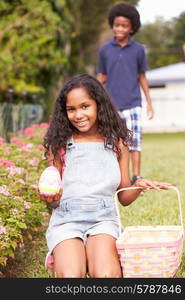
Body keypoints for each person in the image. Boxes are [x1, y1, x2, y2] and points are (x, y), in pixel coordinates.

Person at [39, 74, 171, 278]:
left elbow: (124, 198)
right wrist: (51, 198)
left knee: (106, 275)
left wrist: (139, 185)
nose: (78, 115)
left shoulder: (117, 143)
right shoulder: (60, 144)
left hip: (103, 220)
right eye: (71, 109)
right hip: (66, 221)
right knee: (70, 275)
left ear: (98, 105)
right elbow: (53, 198)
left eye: (85, 106)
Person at [97, 2, 154, 184]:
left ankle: (136, 176)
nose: (119, 29)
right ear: (112, 25)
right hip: (112, 106)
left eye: (124, 26)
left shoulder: (138, 50)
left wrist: (149, 103)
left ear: (132, 28)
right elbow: (102, 77)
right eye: (116, 25)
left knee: (134, 143)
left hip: (133, 104)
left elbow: (142, 77)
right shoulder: (105, 50)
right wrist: (92, 94)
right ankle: (116, 177)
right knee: (113, 143)